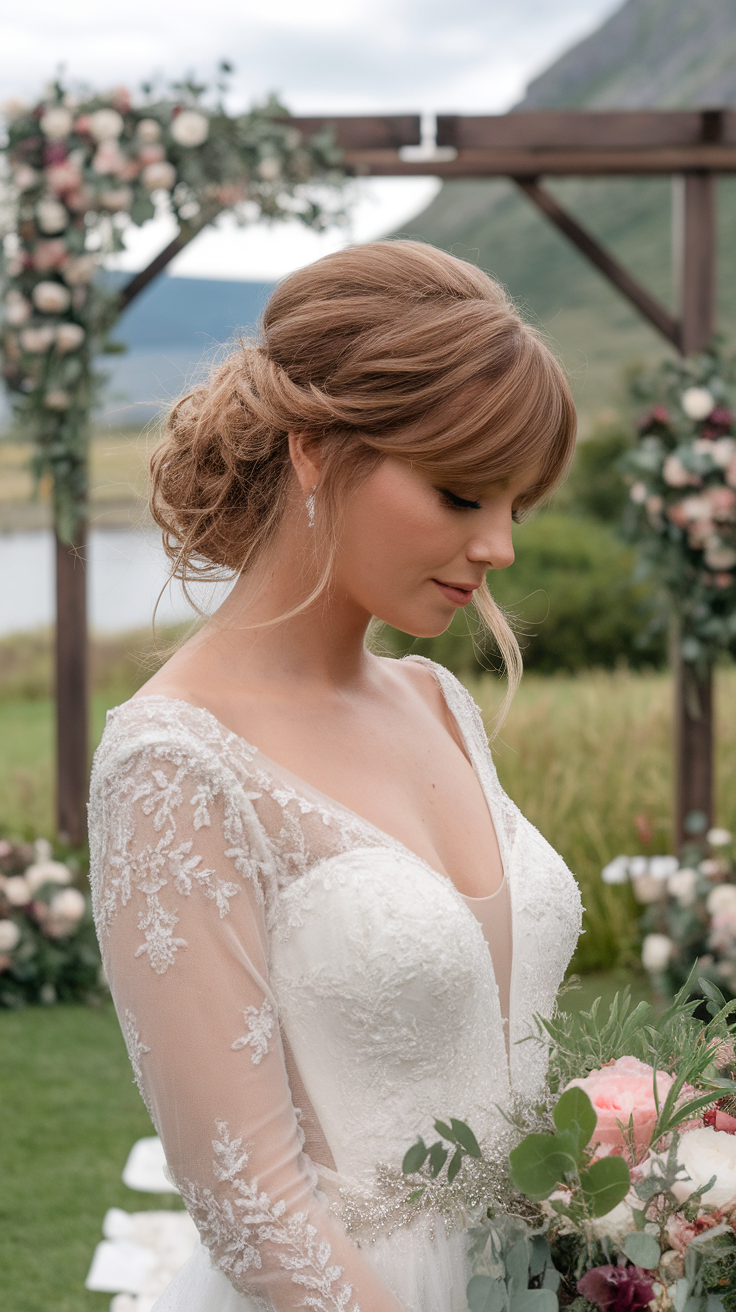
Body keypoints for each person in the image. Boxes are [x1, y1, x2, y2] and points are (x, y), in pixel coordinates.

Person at [88, 240, 583, 1312]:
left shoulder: (435, 701)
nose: (498, 546)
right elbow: (247, 1197)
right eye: (461, 495)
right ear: (314, 451)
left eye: (516, 506)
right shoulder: (174, 763)